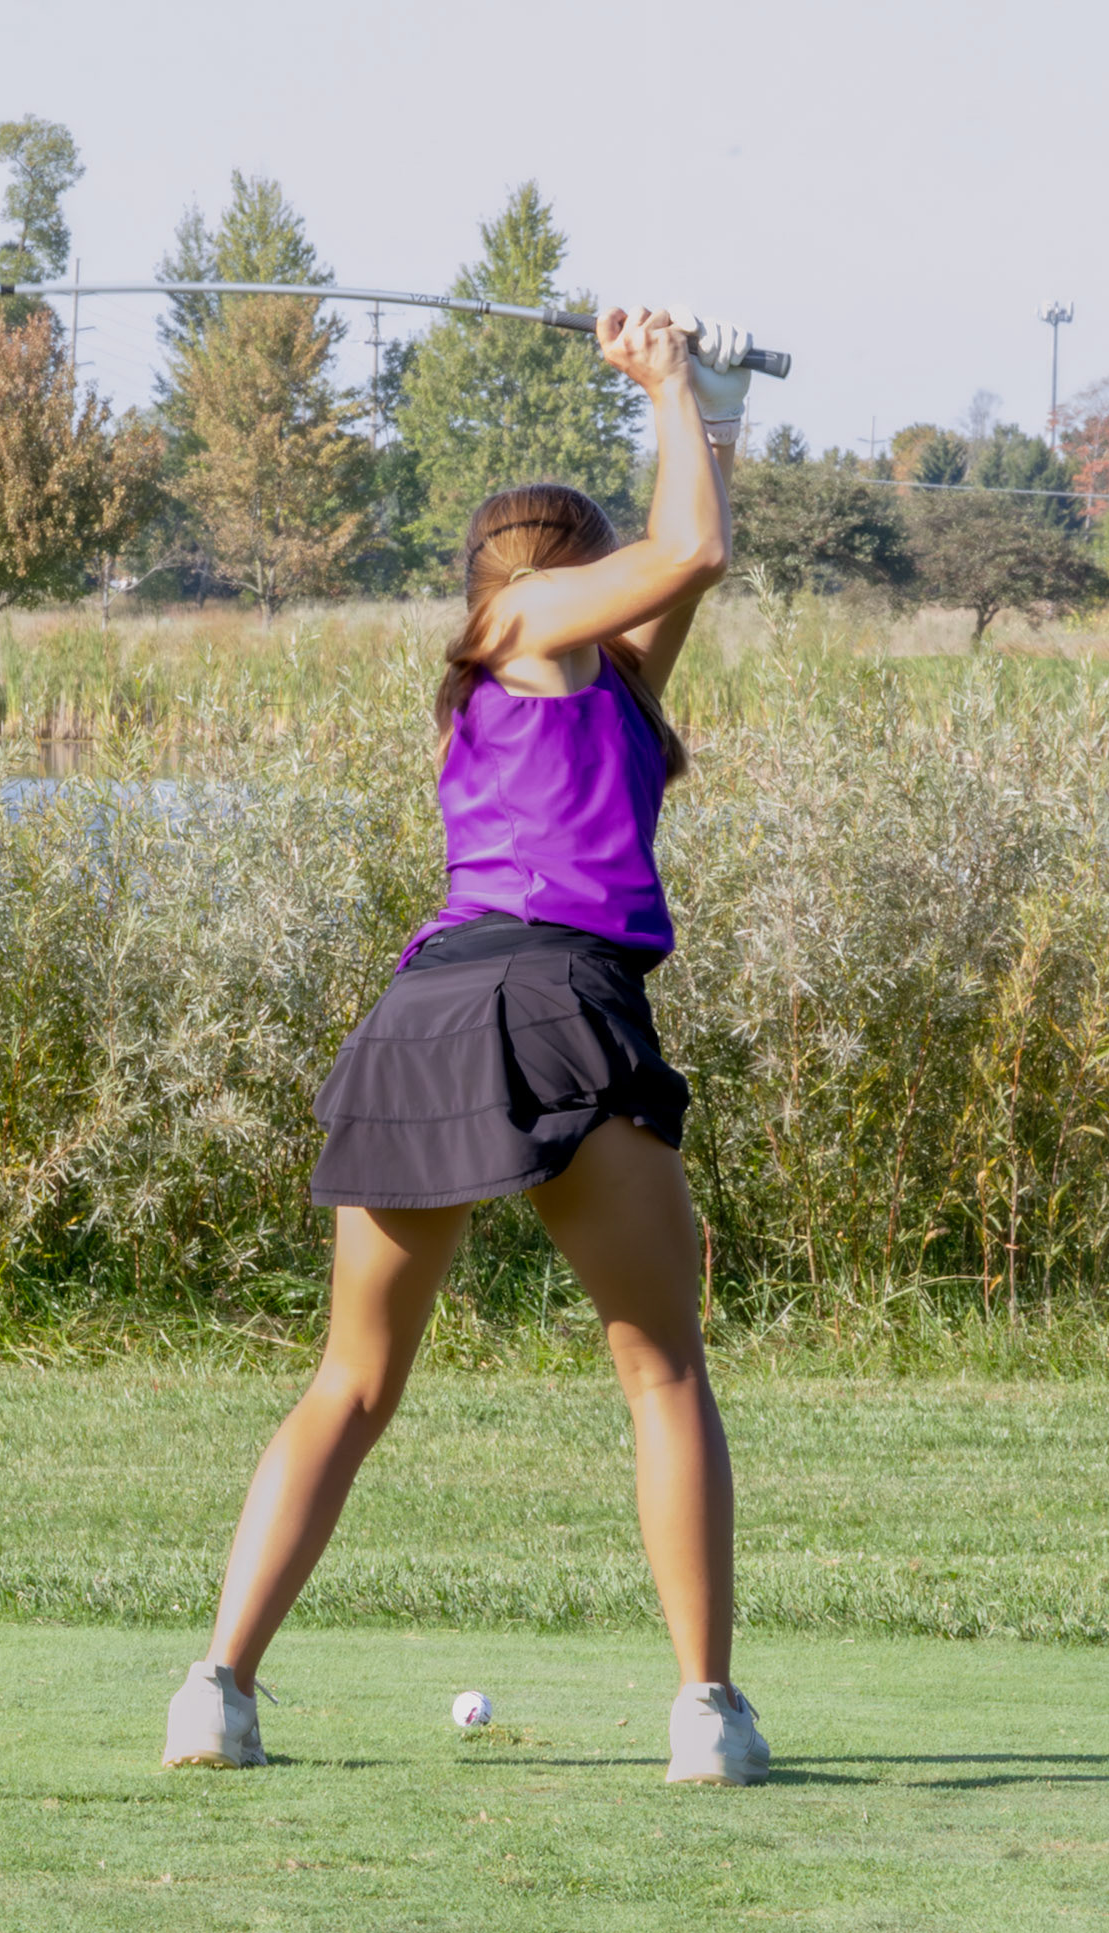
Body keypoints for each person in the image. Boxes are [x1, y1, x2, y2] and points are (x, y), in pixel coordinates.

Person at [163, 304, 769, 1787]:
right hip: (552, 1006)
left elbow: (684, 555)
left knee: (350, 1386)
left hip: (425, 1022)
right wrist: (665, 380)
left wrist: (704, 400)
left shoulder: (608, 684)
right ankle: (705, 1714)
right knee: (659, 1374)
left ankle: (216, 1692)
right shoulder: (515, 636)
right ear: (542, 584)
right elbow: (683, 551)